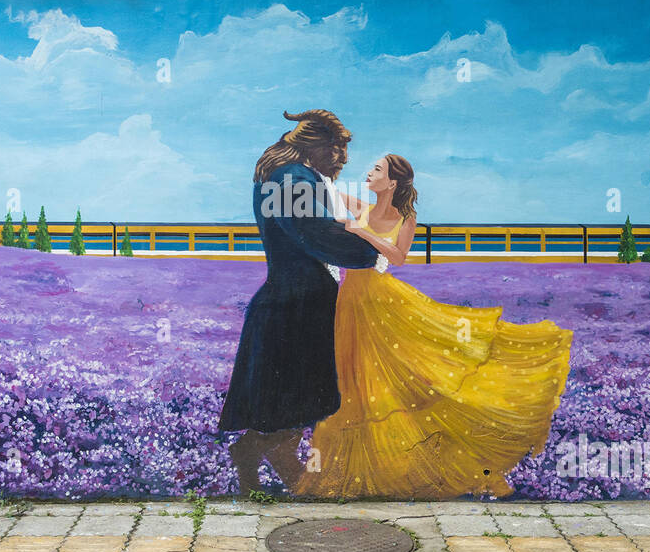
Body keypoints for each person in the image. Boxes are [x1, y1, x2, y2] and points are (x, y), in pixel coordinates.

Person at [295, 154, 573, 499]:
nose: (368, 173)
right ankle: (361, 472)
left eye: (377, 169)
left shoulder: (405, 218)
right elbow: (328, 192)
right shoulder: (360, 205)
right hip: (350, 302)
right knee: (354, 383)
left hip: (382, 302)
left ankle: (417, 463)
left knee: (402, 378)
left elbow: (396, 257)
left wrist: (362, 232)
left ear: (393, 182)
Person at [219, 109, 379, 494]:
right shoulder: (293, 179)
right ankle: (260, 464)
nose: (343, 158)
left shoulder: (288, 177)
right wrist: (373, 248)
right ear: (313, 145)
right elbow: (315, 233)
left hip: (293, 302)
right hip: (296, 307)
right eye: (336, 148)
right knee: (298, 403)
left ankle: (277, 476)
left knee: (294, 406)